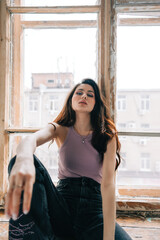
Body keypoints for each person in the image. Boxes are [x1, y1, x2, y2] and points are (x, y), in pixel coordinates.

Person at [5, 79, 132, 240]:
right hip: (62, 208)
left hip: (93, 214)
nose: (84, 96)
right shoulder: (60, 129)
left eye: (90, 94)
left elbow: (108, 186)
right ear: (71, 100)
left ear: (96, 103)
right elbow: (30, 140)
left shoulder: (107, 136)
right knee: (20, 160)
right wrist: (23, 160)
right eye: (79, 92)